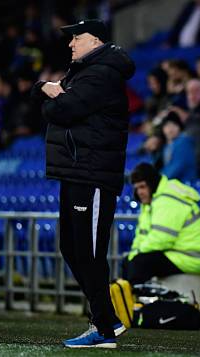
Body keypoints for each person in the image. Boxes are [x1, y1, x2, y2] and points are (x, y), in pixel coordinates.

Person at [30, 19, 135, 349]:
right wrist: (47, 90)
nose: (71, 43)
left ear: (97, 41)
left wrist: (47, 92)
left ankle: (102, 326)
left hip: (92, 174)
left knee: (89, 251)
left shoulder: (100, 73)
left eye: (78, 38)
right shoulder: (86, 71)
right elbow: (61, 104)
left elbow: (64, 109)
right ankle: (107, 318)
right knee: (72, 248)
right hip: (77, 171)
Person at [126, 163, 200, 283]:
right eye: (136, 188)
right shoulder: (151, 202)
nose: (139, 192)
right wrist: (133, 254)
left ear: (152, 184)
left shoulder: (167, 200)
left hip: (189, 257)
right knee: (127, 261)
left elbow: (162, 238)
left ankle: (137, 301)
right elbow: (141, 236)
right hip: (174, 253)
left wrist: (136, 254)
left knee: (139, 263)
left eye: (143, 187)